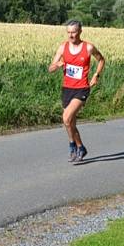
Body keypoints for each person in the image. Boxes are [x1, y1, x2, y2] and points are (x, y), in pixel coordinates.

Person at [48, 20, 105, 162]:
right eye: (68, 32)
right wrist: (57, 65)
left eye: (73, 32)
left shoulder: (88, 47)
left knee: (66, 118)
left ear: (80, 31)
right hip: (67, 88)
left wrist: (96, 75)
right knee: (70, 123)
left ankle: (74, 146)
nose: (71, 35)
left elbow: (101, 60)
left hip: (82, 88)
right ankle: (79, 146)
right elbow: (50, 68)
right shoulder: (63, 47)